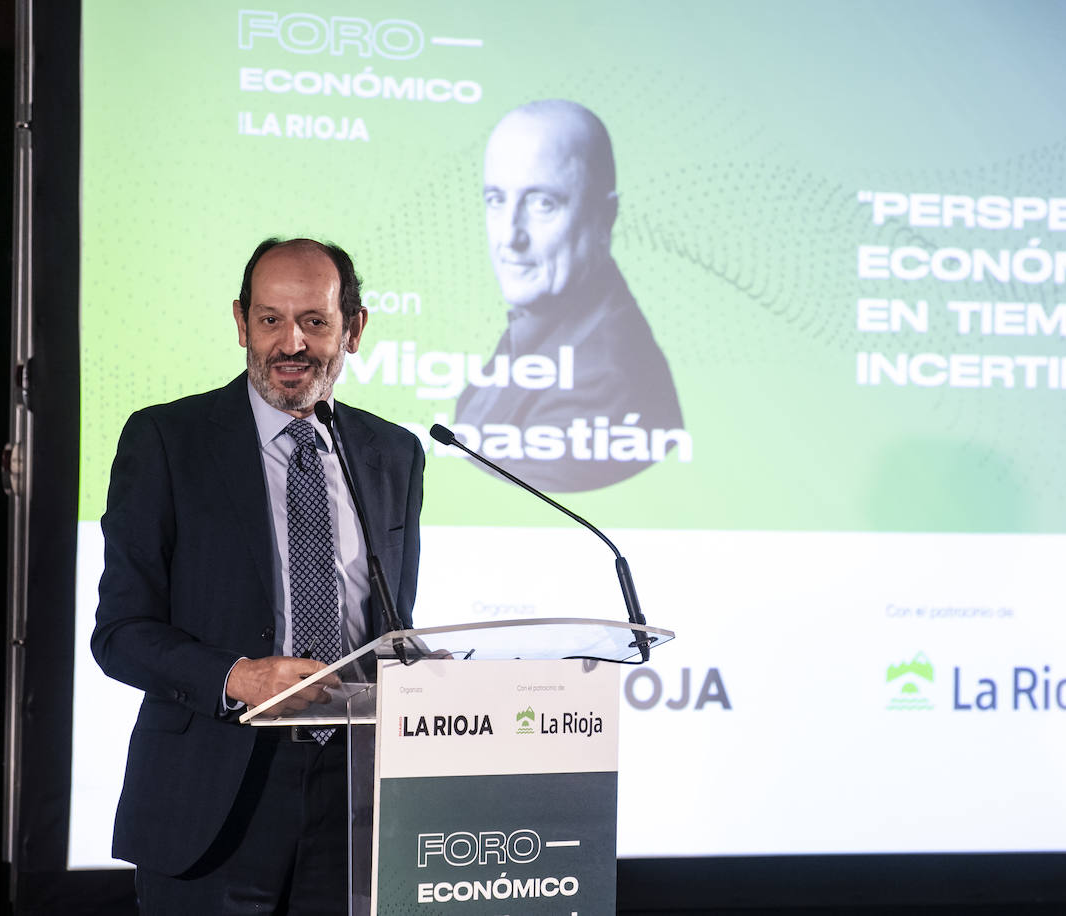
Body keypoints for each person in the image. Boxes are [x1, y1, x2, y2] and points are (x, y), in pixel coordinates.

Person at [91, 238, 424, 913]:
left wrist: (422, 667)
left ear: (354, 329)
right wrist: (237, 676)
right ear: (241, 322)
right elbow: (120, 633)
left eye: (315, 321)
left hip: (355, 798)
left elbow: (390, 624)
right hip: (212, 798)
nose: (291, 342)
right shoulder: (167, 440)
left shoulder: (394, 453)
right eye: (271, 319)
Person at [455, 99, 683, 492]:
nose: (510, 237)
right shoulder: (541, 326)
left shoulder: (603, 379)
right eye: (496, 200)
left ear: (604, 218)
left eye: (543, 203)